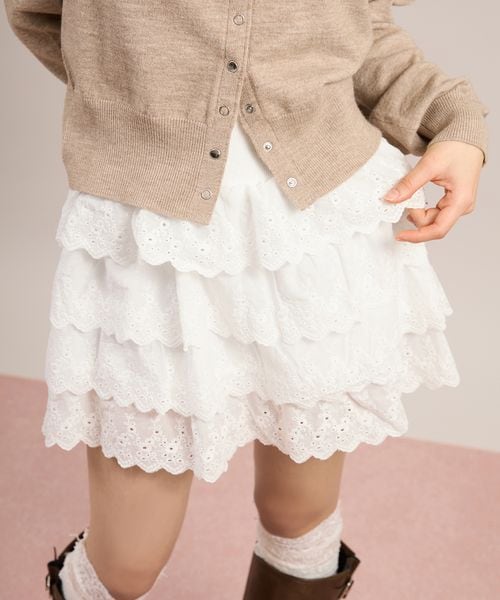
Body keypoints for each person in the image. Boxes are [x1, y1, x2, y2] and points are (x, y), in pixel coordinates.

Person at [4, 1, 489, 599]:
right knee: (127, 561)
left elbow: (362, 32)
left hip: (314, 230)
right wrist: (131, 98)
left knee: (299, 514)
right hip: (151, 240)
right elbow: (38, 12)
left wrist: (454, 121)